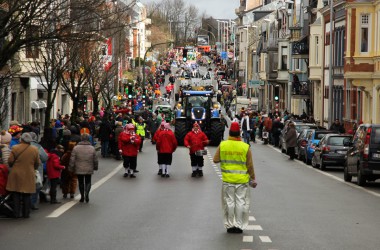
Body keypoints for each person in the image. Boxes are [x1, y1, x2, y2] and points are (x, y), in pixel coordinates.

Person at [213, 122, 257, 234]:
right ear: (239, 134)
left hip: (228, 180)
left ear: (230, 133)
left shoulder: (223, 145)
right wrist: (253, 178)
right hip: (242, 181)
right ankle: (238, 225)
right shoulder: (245, 147)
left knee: (229, 203)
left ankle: (230, 225)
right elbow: (250, 165)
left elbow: (215, 159)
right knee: (240, 203)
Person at [6, 133, 40, 218]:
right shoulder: (35, 149)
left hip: (16, 173)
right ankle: (26, 213)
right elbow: (37, 163)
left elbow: (10, 161)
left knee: (16, 193)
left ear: (21, 139)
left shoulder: (15, 148)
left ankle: (16, 213)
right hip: (29, 173)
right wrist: (33, 168)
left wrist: (12, 166)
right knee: (27, 194)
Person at [69, 133, 98, 203]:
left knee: (81, 182)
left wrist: (71, 168)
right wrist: (95, 167)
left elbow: (72, 159)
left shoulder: (76, 148)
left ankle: (82, 196)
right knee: (88, 181)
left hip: (79, 168)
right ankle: (87, 194)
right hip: (89, 167)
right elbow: (95, 159)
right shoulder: (92, 148)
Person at [29, 132, 48, 210]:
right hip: (36, 170)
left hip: (24, 169)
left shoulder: (18, 145)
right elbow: (44, 157)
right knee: (36, 186)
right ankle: (32, 203)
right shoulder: (37, 146)